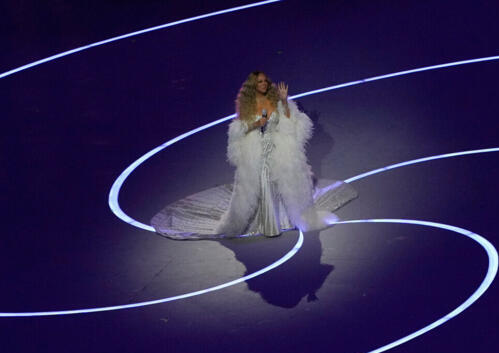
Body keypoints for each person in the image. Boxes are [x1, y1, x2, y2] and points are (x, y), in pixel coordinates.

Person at [151, 71, 354, 239]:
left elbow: (294, 124)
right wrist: (256, 125)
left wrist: (283, 102)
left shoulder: (278, 101)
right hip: (258, 151)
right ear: (252, 85)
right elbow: (238, 131)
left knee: (284, 182)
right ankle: (269, 224)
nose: (264, 84)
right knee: (263, 183)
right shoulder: (246, 106)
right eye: (260, 82)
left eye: (266, 81)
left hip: (279, 149)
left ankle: (288, 218)